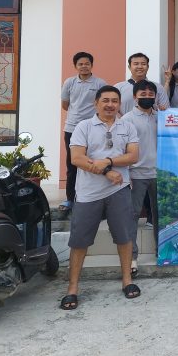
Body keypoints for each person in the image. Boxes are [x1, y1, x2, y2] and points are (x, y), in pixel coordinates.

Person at [62, 85, 140, 310]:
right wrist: (107, 171)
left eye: (114, 101)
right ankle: (73, 289)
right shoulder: (83, 126)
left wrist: (108, 162)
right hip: (88, 193)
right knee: (79, 241)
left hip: (119, 190)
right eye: (105, 100)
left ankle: (127, 281)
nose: (110, 105)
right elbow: (77, 158)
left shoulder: (127, 126)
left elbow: (133, 155)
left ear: (119, 104)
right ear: (96, 103)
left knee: (124, 238)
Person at [60, 52, 107, 214]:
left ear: (91, 65)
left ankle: (96, 198)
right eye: (80, 64)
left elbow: (104, 103)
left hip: (94, 128)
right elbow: (65, 105)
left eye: (87, 63)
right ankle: (70, 199)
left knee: (94, 161)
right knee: (72, 165)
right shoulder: (69, 82)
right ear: (75, 66)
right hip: (72, 129)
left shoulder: (100, 83)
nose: (84, 66)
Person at [120, 80, 158, 277]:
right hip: (136, 174)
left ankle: (162, 252)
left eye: (151, 93)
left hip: (159, 174)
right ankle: (132, 258)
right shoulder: (127, 119)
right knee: (133, 215)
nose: (147, 96)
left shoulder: (160, 118)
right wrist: (126, 173)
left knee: (161, 215)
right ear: (135, 97)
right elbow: (122, 148)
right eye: (143, 93)